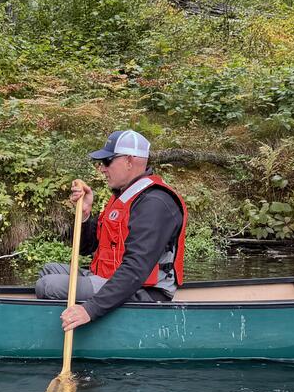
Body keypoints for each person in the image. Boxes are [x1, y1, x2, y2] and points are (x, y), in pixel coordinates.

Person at [35, 129, 187, 331]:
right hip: (109, 277)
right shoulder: (122, 197)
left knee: (48, 285)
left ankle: (67, 324)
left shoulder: (154, 203)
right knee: (49, 270)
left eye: (107, 162)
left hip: (145, 291)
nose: (102, 169)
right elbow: (86, 247)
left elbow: (135, 270)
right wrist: (86, 213)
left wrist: (90, 310)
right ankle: (58, 322)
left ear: (130, 161)